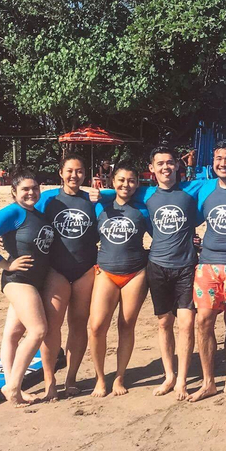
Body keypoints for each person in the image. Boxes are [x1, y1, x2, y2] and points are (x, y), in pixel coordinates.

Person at [93, 146, 206, 400]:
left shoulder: (192, 189)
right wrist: (98, 194)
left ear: (177, 165)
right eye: (159, 164)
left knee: (186, 324)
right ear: (152, 169)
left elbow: (220, 186)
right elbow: (120, 190)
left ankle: (183, 381)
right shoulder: (145, 193)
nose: (165, 167)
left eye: (169, 163)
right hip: (156, 265)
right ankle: (169, 376)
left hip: (186, 265)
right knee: (164, 322)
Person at [0, 167, 54, 405]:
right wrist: (6, 264)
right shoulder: (12, 213)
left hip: (36, 281)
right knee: (38, 330)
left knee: (14, 334)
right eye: (25, 189)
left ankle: (10, 385)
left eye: (35, 188)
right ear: (14, 191)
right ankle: (14, 387)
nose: (31, 192)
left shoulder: (38, 214)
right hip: (18, 281)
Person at [37, 154, 99, 399]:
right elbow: (25, 216)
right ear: (61, 173)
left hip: (85, 269)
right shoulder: (48, 200)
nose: (75, 175)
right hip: (57, 270)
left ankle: (71, 377)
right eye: (70, 171)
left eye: (80, 171)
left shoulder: (92, 200)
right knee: (52, 327)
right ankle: (49, 379)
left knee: (78, 324)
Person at [87, 161, 150, 397]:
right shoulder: (100, 207)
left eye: (132, 180)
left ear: (137, 183)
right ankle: (100, 378)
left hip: (135, 273)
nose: (126, 184)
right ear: (113, 181)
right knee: (96, 326)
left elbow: (162, 234)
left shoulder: (143, 210)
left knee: (126, 326)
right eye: (121, 180)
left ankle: (120, 376)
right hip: (106, 271)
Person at [193, 138, 226, 399]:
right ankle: (208, 380)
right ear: (213, 163)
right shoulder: (204, 189)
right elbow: (182, 209)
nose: (223, 164)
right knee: (204, 322)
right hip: (208, 265)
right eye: (219, 159)